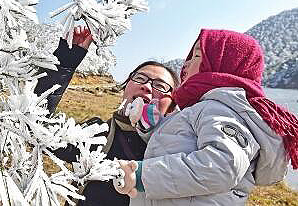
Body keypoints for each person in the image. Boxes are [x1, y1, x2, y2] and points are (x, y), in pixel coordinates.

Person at [115, 29, 298, 205]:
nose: (185, 64)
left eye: (196, 56)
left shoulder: (221, 109)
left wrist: (141, 176)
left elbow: (223, 165)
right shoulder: (201, 109)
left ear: (223, 64)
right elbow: (178, 143)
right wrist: (152, 127)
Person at [34, 26, 180, 206]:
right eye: (140, 78)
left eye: (160, 85)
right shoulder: (98, 135)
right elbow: (38, 127)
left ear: (173, 106)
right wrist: (65, 62)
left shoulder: (180, 150)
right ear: (126, 88)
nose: (147, 87)